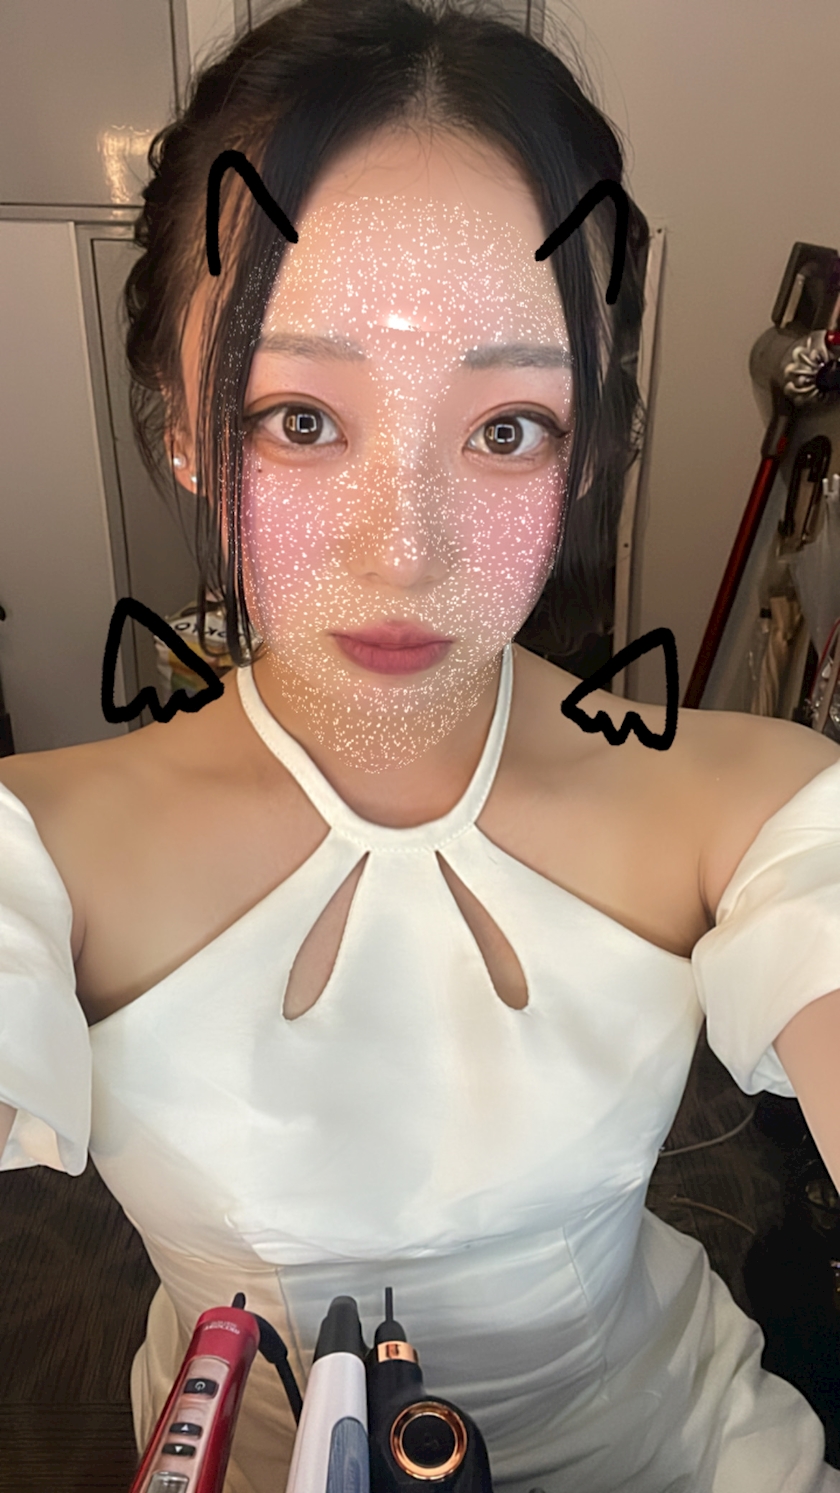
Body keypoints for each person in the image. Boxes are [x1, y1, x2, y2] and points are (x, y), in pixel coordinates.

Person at [1, 1, 840, 1489]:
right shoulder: (36, 852)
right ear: (182, 427)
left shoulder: (755, 804)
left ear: (585, 446)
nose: (404, 555)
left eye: (507, 427)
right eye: (299, 419)